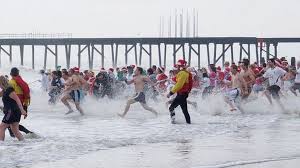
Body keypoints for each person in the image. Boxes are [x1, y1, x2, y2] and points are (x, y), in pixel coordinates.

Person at [0, 76, 27, 141]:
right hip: (14, 111)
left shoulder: (9, 90)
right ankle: (24, 143)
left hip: (12, 111)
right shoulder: (5, 90)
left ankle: (1, 144)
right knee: (15, 130)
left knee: (2, 127)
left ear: (2, 83)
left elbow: (17, 100)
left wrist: (22, 110)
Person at [8, 67, 33, 137]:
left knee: (10, 124)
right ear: (18, 74)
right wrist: (25, 108)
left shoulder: (11, 82)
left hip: (13, 106)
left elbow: (8, 94)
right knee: (12, 124)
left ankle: (26, 134)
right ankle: (27, 135)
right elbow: (25, 95)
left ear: (10, 74)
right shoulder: (21, 82)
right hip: (20, 105)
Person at [167, 59, 193, 124]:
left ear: (180, 66)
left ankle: (173, 122)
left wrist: (171, 93)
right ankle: (189, 124)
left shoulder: (183, 73)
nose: (177, 67)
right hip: (183, 94)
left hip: (181, 94)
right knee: (185, 111)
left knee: (171, 108)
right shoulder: (185, 73)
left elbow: (179, 85)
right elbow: (177, 80)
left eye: (178, 66)